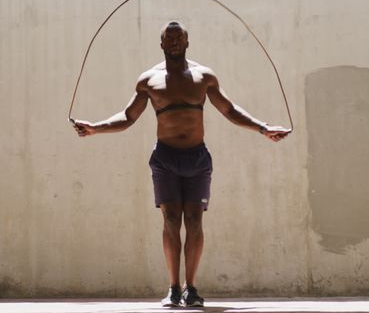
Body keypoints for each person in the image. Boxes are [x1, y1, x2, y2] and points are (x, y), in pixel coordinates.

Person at [72, 21, 290, 307]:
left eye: (179, 37)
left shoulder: (204, 77)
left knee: (195, 221)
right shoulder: (149, 80)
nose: (174, 41)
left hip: (197, 158)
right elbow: (128, 117)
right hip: (165, 158)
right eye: (169, 37)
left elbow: (229, 109)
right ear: (161, 44)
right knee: (171, 220)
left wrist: (263, 128)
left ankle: (192, 288)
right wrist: (94, 128)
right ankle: (174, 287)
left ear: (187, 42)